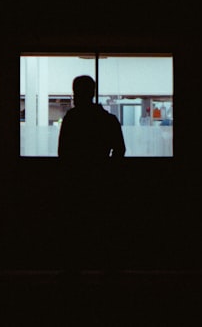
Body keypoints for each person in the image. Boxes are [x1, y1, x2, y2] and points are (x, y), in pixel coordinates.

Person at [56, 75, 126, 273]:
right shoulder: (107, 120)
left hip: (75, 182)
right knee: (101, 227)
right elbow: (120, 150)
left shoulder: (72, 119)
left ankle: (74, 271)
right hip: (100, 182)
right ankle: (104, 271)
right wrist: (109, 170)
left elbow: (63, 153)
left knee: (76, 228)